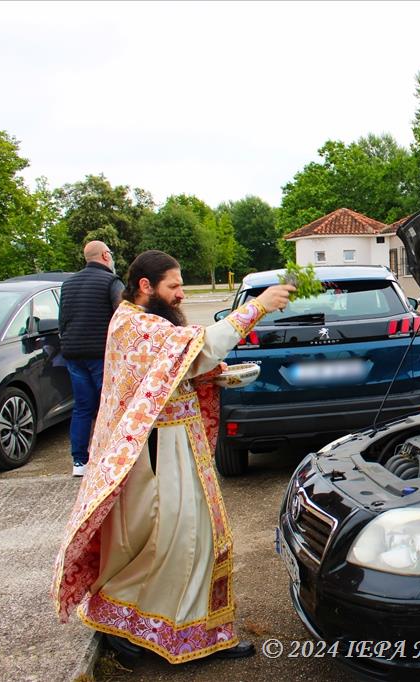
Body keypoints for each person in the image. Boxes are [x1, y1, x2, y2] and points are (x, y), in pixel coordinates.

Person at [51, 250, 294, 663]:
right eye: (174, 286)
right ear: (146, 286)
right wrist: (258, 307)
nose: (181, 294)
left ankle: (188, 630)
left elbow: (181, 362)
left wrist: (215, 374)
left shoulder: (145, 321)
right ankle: (144, 628)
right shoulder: (134, 324)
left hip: (176, 445)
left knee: (190, 540)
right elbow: (203, 343)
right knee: (178, 542)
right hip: (158, 453)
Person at [59, 240, 125, 477]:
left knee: (83, 407)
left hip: (74, 354)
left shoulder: (68, 284)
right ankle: (114, 455)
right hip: (101, 354)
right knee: (110, 405)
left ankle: (79, 462)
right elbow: (122, 315)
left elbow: (63, 319)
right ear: (106, 256)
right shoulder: (111, 281)